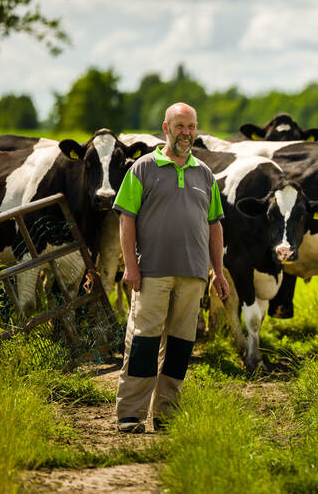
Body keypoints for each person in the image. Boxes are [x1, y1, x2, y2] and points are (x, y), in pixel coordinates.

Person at [113, 102, 230, 433]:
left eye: (191, 126)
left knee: (180, 348)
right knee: (143, 343)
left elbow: (214, 225)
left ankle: (166, 414)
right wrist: (130, 266)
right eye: (180, 126)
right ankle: (130, 413)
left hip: (193, 274)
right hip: (151, 271)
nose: (186, 132)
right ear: (165, 128)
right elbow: (127, 219)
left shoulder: (203, 173)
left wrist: (218, 272)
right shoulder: (144, 168)